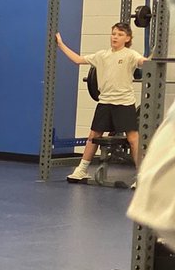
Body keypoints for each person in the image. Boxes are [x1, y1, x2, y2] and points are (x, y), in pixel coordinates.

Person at [56, 23, 145, 183]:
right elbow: (77, 60)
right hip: (105, 102)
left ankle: (141, 176)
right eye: (113, 34)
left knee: (133, 139)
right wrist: (61, 44)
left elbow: (143, 62)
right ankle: (81, 170)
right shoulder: (101, 55)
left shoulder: (130, 55)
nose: (115, 37)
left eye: (119, 34)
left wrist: (155, 57)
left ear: (128, 38)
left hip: (124, 103)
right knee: (93, 136)